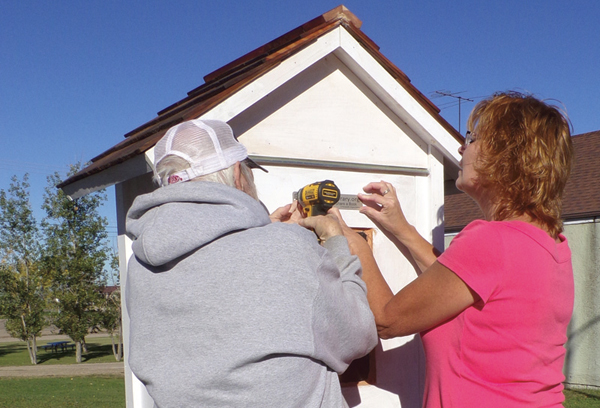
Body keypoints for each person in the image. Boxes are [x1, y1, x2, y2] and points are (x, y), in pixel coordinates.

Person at [328, 92, 574, 407]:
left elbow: (387, 320)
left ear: (505, 155)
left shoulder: (490, 240)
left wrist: (350, 241)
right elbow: (455, 283)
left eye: (472, 138)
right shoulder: (548, 244)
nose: (461, 146)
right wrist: (401, 227)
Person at [125, 118, 377, 408]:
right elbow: (359, 335)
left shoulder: (141, 264)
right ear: (236, 172)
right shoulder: (287, 248)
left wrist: (266, 233)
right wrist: (334, 245)